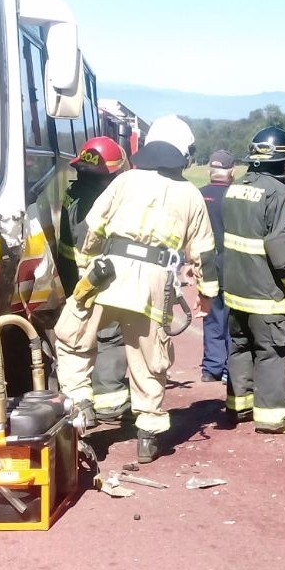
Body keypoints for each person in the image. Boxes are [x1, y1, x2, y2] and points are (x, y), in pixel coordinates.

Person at [71, 115, 217, 463]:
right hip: (155, 285)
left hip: (107, 274)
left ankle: (79, 404)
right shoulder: (190, 195)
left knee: (73, 337)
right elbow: (205, 255)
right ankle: (148, 435)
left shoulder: (125, 182)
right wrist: (206, 296)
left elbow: (91, 230)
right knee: (150, 359)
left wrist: (84, 270)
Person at [222, 126, 285, 435]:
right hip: (265, 292)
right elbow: (281, 244)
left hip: (235, 291)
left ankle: (239, 405)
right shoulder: (278, 192)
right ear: (282, 161)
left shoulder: (236, 187)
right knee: (273, 351)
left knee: (241, 347)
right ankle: (273, 418)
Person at [53, 136, 129, 428]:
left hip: (72, 275)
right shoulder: (103, 201)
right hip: (97, 276)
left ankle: (79, 402)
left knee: (76, 335)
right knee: (109, 335)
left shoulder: (73, 192)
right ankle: (109, 402)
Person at [199, 149, 236, 383]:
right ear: (232, 171)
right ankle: (229, 368)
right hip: (232, 264)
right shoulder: (236, 196)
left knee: (212, 315)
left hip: (206, 262)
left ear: (210, 170)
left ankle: (211, 368)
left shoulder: (198, 195)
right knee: (233, 318)